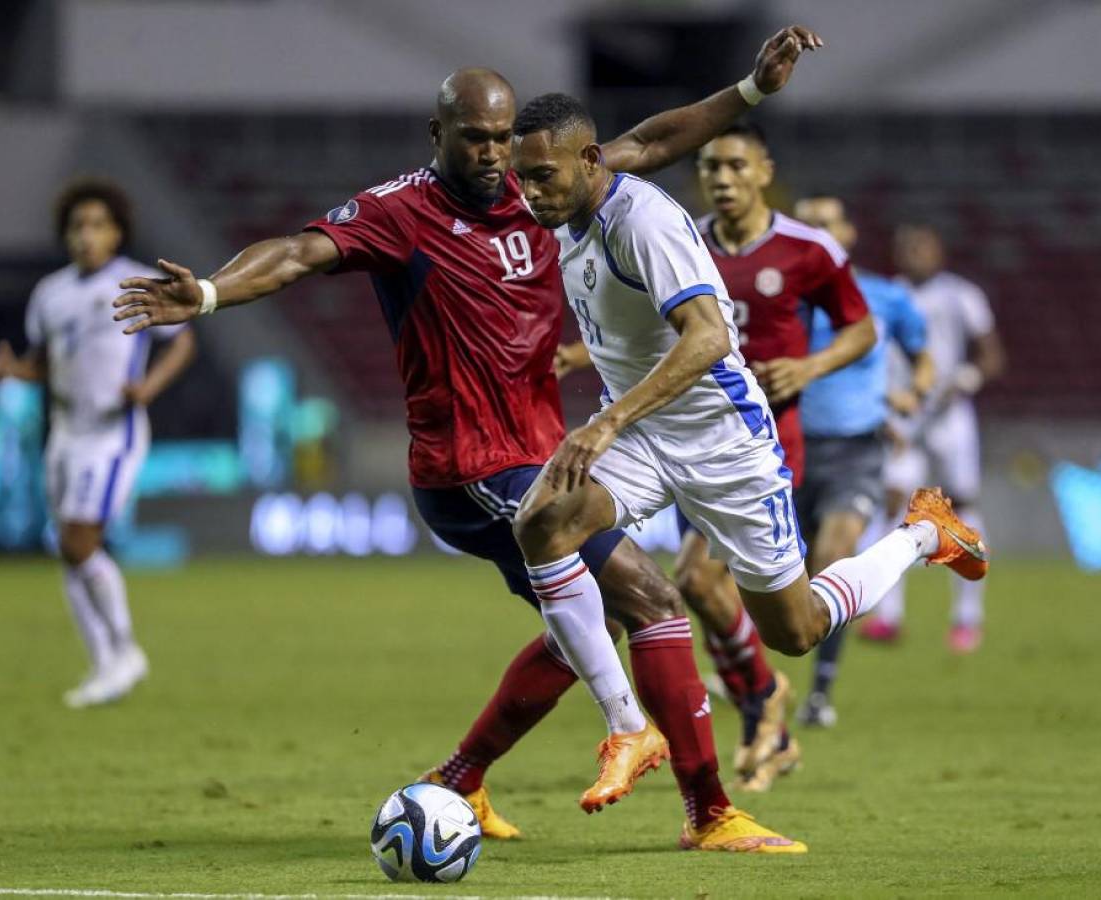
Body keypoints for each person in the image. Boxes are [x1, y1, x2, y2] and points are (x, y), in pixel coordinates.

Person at [114, 28, 828, 853]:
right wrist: (207, 292)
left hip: (537, 453)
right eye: (475, 139)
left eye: (501, 139)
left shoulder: (541, 188)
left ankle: (457, 783)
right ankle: (703, 805)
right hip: (474, 468)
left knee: (576, 633)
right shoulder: (400, 212)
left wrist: (750, 91)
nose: (492, 157)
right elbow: (297, 255)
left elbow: (649, 141)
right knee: (652, 602)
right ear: (437, 136)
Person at [506, 91, 988, 847]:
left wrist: (605, 419)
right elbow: (650, 136)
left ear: (588, 161)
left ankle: (923, 536)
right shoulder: (574, 205)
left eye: (541, 177)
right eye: (520, 178)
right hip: (646, 436)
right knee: (540, 519)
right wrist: (748, 87)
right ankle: (629, 726)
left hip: (724, 441)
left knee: (795, 629)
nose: (528, 193)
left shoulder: (644, 222)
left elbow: (704, 339)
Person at [666, 123, 876, 790]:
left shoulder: (806, 249)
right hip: (693, 440)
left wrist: (811, 367)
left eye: (734, 165)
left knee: (698, 580)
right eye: (709, 167)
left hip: (765, 449)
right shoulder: (683, 244)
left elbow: (861, 327)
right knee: (709, 592)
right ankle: (770, 717)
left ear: (763, 171)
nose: (721, 179)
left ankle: (763, 702)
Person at [0, 177, 197, 708]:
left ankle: (125, 652)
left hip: (111, 433)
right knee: (68, 548)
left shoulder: (137, 281)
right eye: (78, 226)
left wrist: (147, 387)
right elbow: (44, 364)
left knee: (80, 541)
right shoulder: (49, 294)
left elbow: (181, 341)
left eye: (98, 224)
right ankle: (105, 663)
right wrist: (14, 370)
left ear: (117, 231)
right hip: (64, 434)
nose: (86, 235)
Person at [790, 195, 934, 727]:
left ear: (847, 233)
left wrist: (912, 394)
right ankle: (753, 678)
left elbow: (924, 358)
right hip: (786, 449)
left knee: (833, 556)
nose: (817, 233)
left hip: (856, 448)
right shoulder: (775, 297)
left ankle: (820, 694)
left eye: (826, 224)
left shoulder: (884, 297)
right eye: (806, 226)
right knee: (786, 584)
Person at [863, 224, 1005, 653]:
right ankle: (888, 616)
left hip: (949, 416)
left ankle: (967, 617)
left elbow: (991, 353)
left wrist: (969, 375)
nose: (915, 253)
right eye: (906, 246)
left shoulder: (962, 295)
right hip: (905, 414)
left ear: (940, 251)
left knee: (961, 506)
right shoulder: (886, 296)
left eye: (922, 246)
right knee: (894, 504)